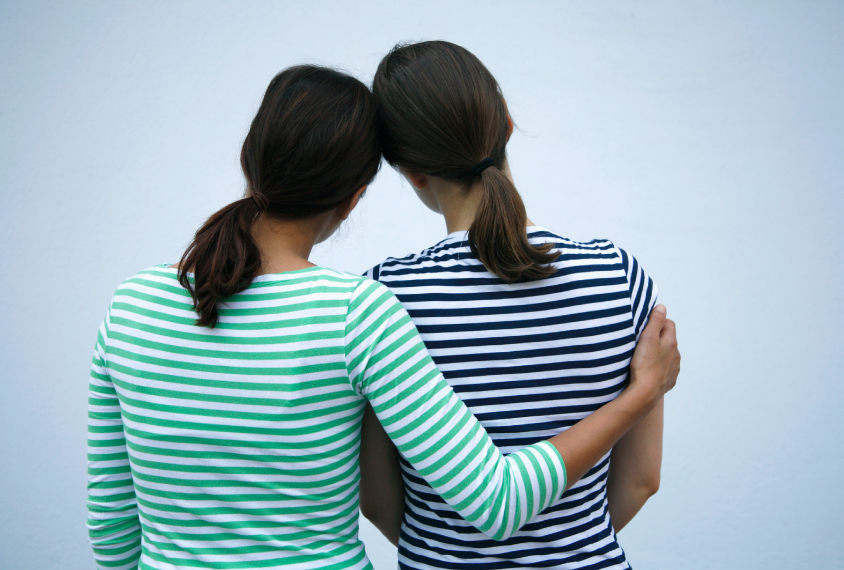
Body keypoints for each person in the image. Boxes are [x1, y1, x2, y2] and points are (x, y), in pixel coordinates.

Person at [86, 64, 679, 570]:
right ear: (358, 193)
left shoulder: (130, 304)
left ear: (250, 158)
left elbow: (112, 535)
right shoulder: (355, 313)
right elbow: (512, 500)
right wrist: (641, 393)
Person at [360, 41, 678, 569]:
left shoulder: (381, 298)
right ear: (507, 123)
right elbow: (642, 481)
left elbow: (377, 500)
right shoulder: (620, 277)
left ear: (412, 172)